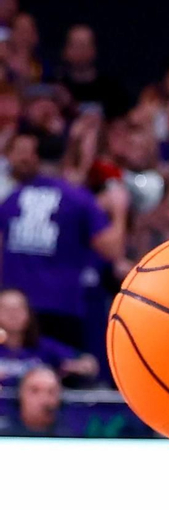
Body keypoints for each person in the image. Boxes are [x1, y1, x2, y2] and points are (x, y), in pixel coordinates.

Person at [0, 132, 127, 347]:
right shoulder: (78, 199)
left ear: (36, 157)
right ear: (67, 158)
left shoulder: (12, 198)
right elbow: (111, 250)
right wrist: (119, 211)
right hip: (62, 306)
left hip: (16, 309)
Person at [0, 288, 97, 384]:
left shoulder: (44, 346)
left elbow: (88, 363)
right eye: (6, 309)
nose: (13, 314)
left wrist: (77, 367)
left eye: (19, 308)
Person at [6, 365, 63, 436]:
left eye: (51, 392)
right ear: (20, 393)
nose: (43, 398)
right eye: (34, 390)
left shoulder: (70, 437)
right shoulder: (4, 434)